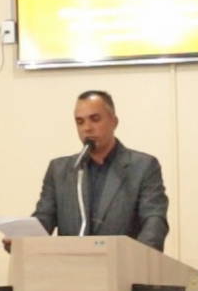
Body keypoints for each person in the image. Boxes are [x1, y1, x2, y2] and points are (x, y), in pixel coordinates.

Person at [14, 91, 169, 252]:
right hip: (71, 269)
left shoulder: (143, 166)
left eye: (95, 119)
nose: (87, 128)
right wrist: (21, 239)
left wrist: (141, 257)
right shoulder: (60, 170)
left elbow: (154, 220)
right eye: (80, 122)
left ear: (113, 121)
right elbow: (44, 217)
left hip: (124, 271)